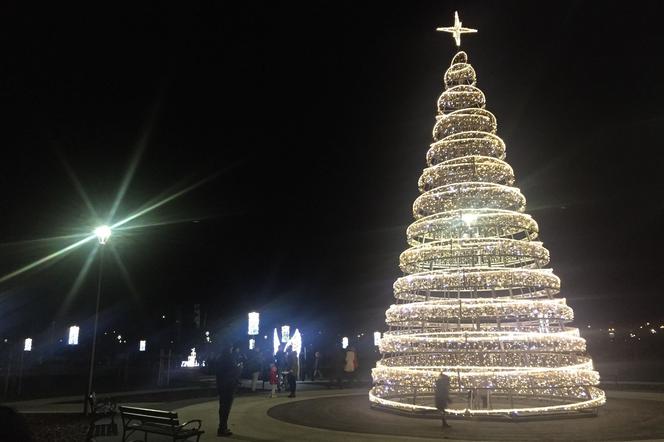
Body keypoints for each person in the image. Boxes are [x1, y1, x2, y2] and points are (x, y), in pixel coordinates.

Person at [215, 342, 242, 437]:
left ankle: (222, 427)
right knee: (226, 408)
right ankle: (222, 428)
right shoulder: (229, 358)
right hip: (229, 386)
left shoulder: (220, 357)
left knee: (222, 407)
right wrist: (239, 368)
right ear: (229, 348)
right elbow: (235, 370)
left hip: (221, 385)